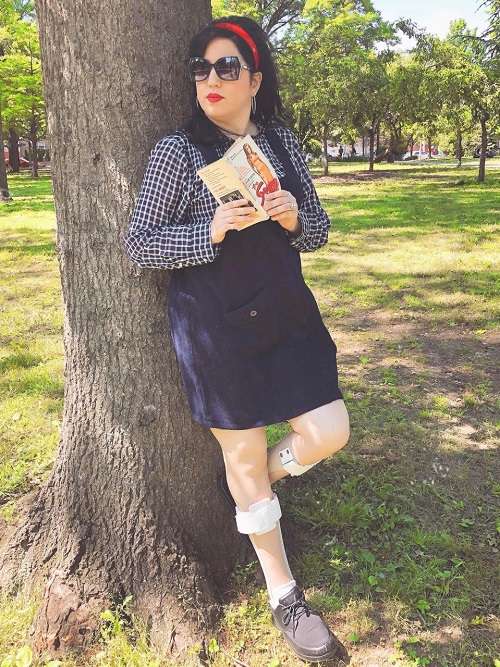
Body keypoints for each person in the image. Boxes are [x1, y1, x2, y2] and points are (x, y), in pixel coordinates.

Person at [125, 16, 350, 663]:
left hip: (286, 316)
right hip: (215, 326)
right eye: (202, 67)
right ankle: (285, 593)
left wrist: (295, 215)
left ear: (254, 77)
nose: (212, 79)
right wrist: (212, 228)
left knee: (328, 429)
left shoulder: (278, 141)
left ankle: (255, 490)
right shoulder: (177, 152)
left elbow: (319, 230)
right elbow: (141, 243)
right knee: (245, 452)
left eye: (228, 67)